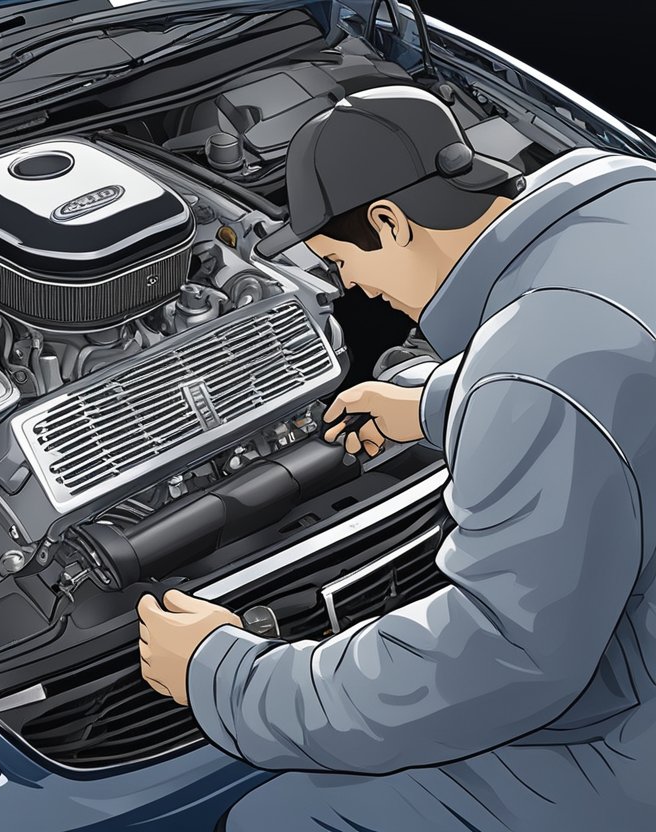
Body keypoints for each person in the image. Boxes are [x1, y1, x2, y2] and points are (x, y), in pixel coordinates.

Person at [137, 85, 656, 831]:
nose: (349, 287)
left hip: (633, 753)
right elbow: (615, 384)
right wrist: (434, 403)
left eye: (337, 261)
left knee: (279, 818)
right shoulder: (628, 207)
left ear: (388, 220)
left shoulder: (534, 371)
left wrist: (225, 676)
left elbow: (499, 659)